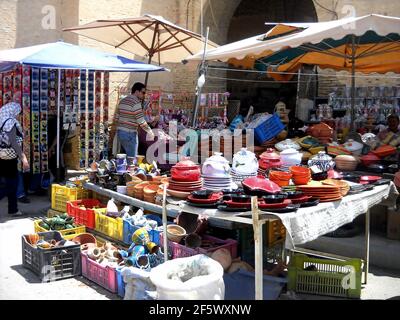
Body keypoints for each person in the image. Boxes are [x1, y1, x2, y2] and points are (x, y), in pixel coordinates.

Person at [0, 102, 30, 216]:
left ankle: (13, 209)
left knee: (9, 184)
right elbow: (13, 142)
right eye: (18, 112)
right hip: (9, 158)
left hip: (1, 156)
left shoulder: (1, 119)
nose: (18, 115)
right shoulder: (9, 122)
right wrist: (23, 158)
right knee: (11, 184)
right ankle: (13, 209)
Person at [114, 82, 155, 157]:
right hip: (130, 134)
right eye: (143, 92)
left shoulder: (122, 101)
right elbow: (141, 121)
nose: (144, 95)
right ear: (136, 91)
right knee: (132, 160)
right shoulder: (136, 103)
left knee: (123, 159)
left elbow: (116, 118)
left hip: (121, 133)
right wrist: (150, 131)